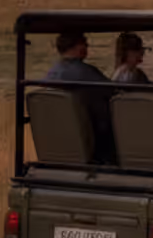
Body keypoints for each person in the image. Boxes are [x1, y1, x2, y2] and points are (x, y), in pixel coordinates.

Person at [44, 30, 113, 161]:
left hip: (59, 133)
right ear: (77, 46)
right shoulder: (85, 72)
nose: (87, 48)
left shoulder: (51, 73)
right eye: (85, 44)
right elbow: (113, 93)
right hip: (93, 135)